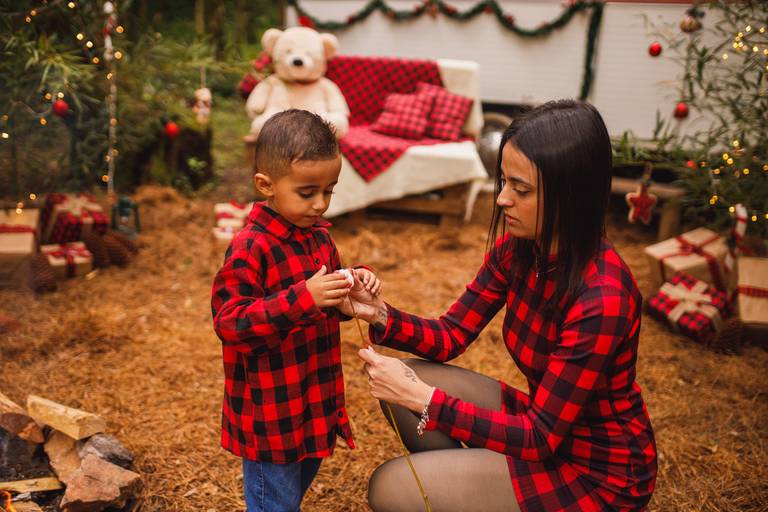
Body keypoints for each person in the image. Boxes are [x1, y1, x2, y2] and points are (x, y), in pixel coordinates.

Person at [342, 100, 657, 512]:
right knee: (407, 377)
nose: (503, 199)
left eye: (521, 189)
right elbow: (450, 335)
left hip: (597, 473)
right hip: (546, 428)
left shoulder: (603, 298)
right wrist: (380, 313)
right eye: (503, 181)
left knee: (389, 487)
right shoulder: (521, 250)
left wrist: (426, 401)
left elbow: (540, 437)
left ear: (571, 195)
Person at [211, 109, 381, 512]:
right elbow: (230, 322)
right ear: (265, 185)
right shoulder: (251, 247)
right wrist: (303, 297)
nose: (321, 204)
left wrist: (352, 286)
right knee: (276, 503)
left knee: (293, 492)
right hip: (271, 411)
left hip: (312, 397)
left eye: (329, 191)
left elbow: (328, 304)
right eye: (307, 193)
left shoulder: (318, 238)